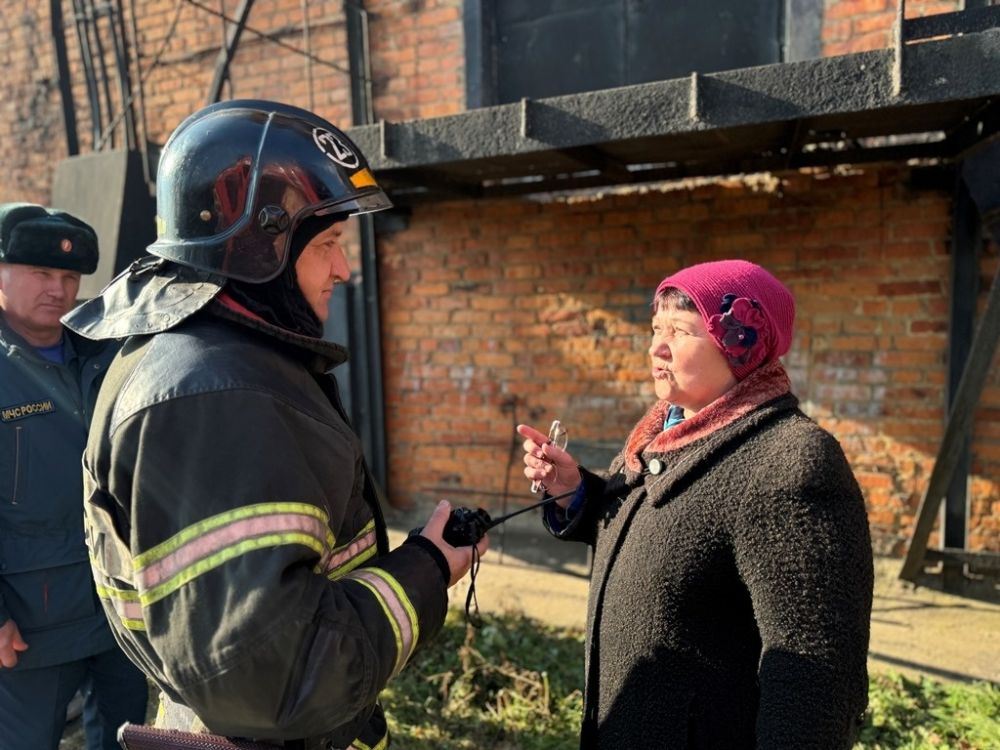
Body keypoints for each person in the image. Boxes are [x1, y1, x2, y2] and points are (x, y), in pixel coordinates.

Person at [62, 99, 487, 750]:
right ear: (264, 246)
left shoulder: (194, 361)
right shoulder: (216, 397)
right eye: (329, 245)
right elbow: (279, 676)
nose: (344, 270)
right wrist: (427, 569)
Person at [519, 259, 873, 750]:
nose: (656, 346)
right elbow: (658, 525)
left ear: (741, 346)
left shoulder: (791, 461)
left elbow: (813, 673)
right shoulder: (664, 429)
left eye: (681, 331)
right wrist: (575, 490)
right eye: (656, 327)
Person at [0, 203, 149, 750]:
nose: (58, 288)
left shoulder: (109, 356)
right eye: (41, 273)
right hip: (29, 625)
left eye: (69, 277)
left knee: (126, 739)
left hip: (119, 609)